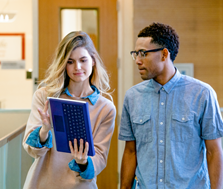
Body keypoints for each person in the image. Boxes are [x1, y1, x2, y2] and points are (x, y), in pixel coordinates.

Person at [118, 22, 223, 189]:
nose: (137, 60)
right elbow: (130, 152)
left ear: (164, 54)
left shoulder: (202, 94)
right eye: (135, 53)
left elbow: (214, 152)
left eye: (143, 53)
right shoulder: (132, 97)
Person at [23, 31, 116, 189]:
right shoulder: (44, 96)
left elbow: (100, 157)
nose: (77, 67)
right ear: (63, 64)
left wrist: (84, 162)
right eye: (70, 61)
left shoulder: (105, 108)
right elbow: (33, 151)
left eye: (83, 60)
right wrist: (44, 130)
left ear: (93, 61)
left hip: (80, 186)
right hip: (42, 183)